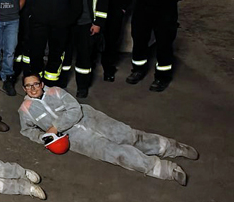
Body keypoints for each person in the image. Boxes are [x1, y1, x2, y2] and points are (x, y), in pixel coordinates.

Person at [18, 73, 197, 185]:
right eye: (29, 86)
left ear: (41, 84)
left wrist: (55, 127)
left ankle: (173, 148)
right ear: (24, 88)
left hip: (91, 119)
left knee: (129, 136)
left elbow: (74, 109)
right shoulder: (25, 109)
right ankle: (167, 170)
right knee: (116, 153)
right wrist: (45, 138)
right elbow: (27, 130)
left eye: (36, 84)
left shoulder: (56, 91)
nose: (33, 88)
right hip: (76, 139)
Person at [26, 0, 82, 87]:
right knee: (36, 52)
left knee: (56, 54)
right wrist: (33, 16)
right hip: (39, 23)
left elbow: (77, 5)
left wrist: (67, 22)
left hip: (61, 26)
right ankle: (36, 83)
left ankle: (51, 84)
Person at [62, 0, 110, 98]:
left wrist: (98, 23)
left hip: (87, 22)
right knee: (64, 55)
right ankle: (60, 84)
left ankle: (82, 86)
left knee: (84, 57)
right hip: (67, 22)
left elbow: (104, 1)